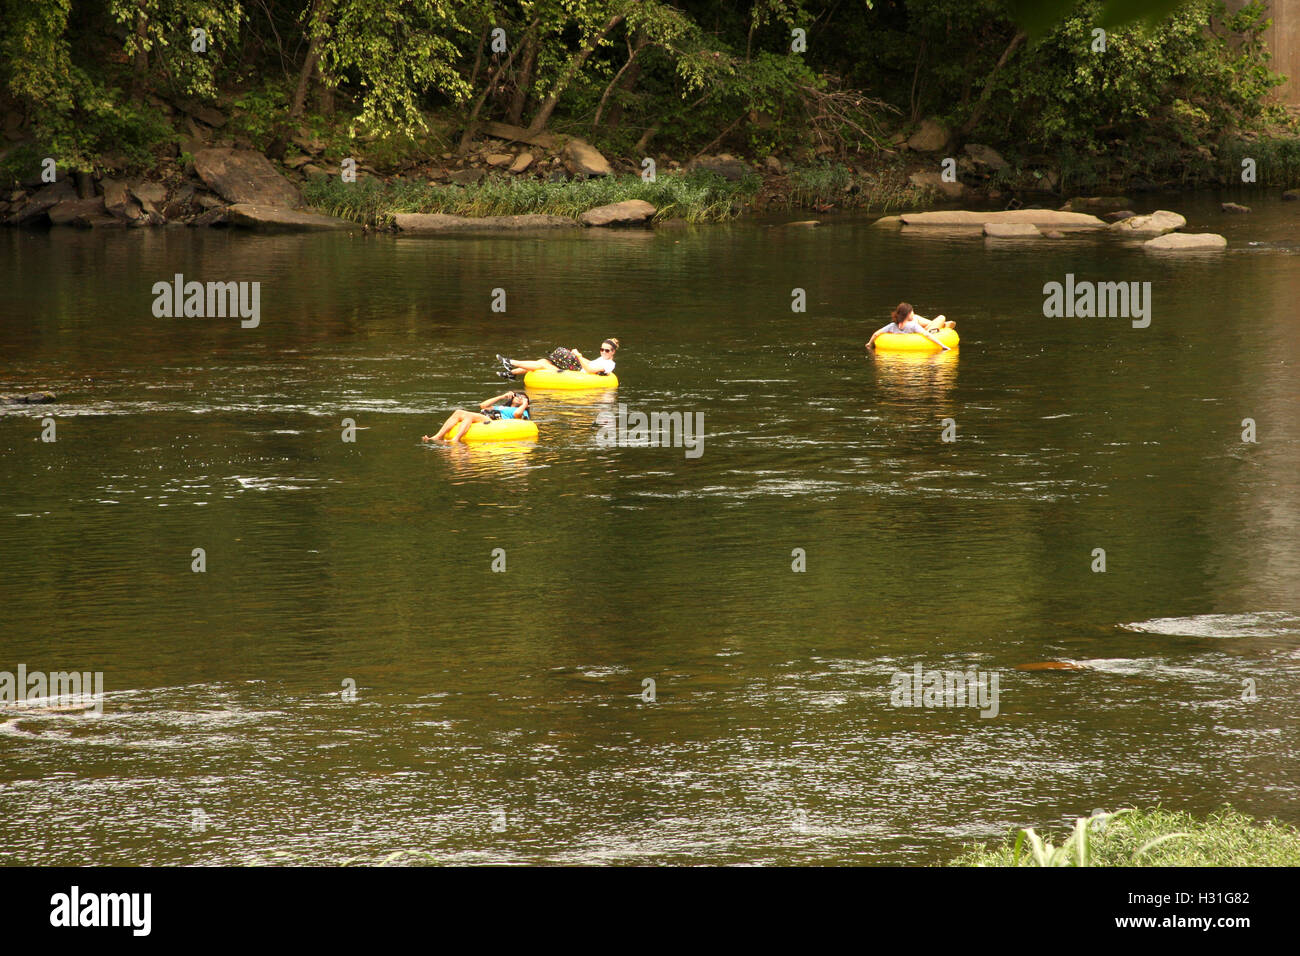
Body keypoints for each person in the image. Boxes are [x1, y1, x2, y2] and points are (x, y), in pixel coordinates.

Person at [423, 390, 531, 443]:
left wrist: (525, 403)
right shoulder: (502, 407)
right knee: (458, 412)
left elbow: (517, 415)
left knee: (468, 416)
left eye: (523, 397)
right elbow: (483, 405)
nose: (520, 397)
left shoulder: (523, 411)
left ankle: (456, 439)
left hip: (495, 421)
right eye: (518, 395)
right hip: (485, 415)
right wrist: (502, 396)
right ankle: (438, 436)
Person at [497, 338, 619, 380]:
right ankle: (511, 373)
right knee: (542, 361)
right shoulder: (602, 359)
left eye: (606, 350)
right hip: (577, 370)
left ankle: (510, 362)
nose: (603, 352)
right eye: (601, 349)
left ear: (613, 352)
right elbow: (590, 363)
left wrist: (578, 356)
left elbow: (590, 370)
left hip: (577, 376)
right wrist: (576, 355)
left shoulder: (609, 364)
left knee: (543, 364)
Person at [866, 303, 954, 350]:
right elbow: (927, 335)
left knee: (916, 318)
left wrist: (870, 344)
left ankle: (941, 324)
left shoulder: (892, 325)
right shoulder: (913, 325)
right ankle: (943, 325)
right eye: (912, 312)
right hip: (925, 334)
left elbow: (876, 334)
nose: (913, 313)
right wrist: (943, 345)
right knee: (941, 317)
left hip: (914, 334)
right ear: (908, 314)